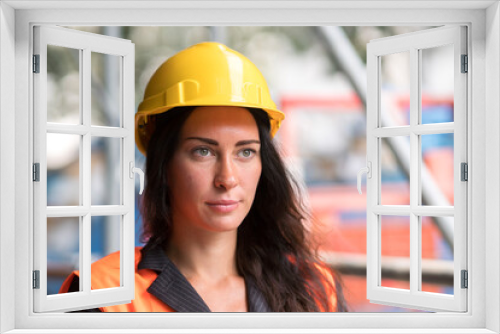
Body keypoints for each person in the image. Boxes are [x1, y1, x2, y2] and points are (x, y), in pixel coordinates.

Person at [59, 42, 347, 312]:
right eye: (203, 152)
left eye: (245, 152)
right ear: (164, 164)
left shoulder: (314, 288)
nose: (227, 178)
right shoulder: (106, 296)